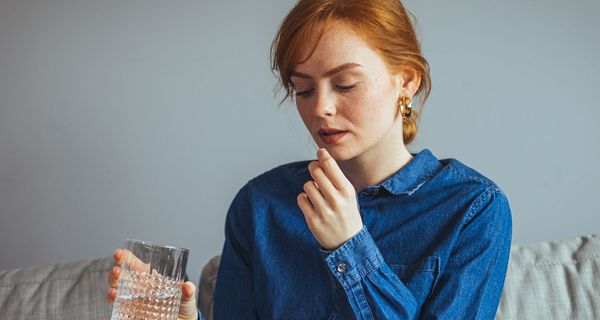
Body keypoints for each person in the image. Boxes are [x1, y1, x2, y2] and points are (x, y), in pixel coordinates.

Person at [108, 0, 512, 319]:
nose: (321, 108)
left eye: (345, 84)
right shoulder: (260, 205)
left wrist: (350, 247)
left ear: (405, 80)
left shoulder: (473, 210)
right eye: (303, 90)